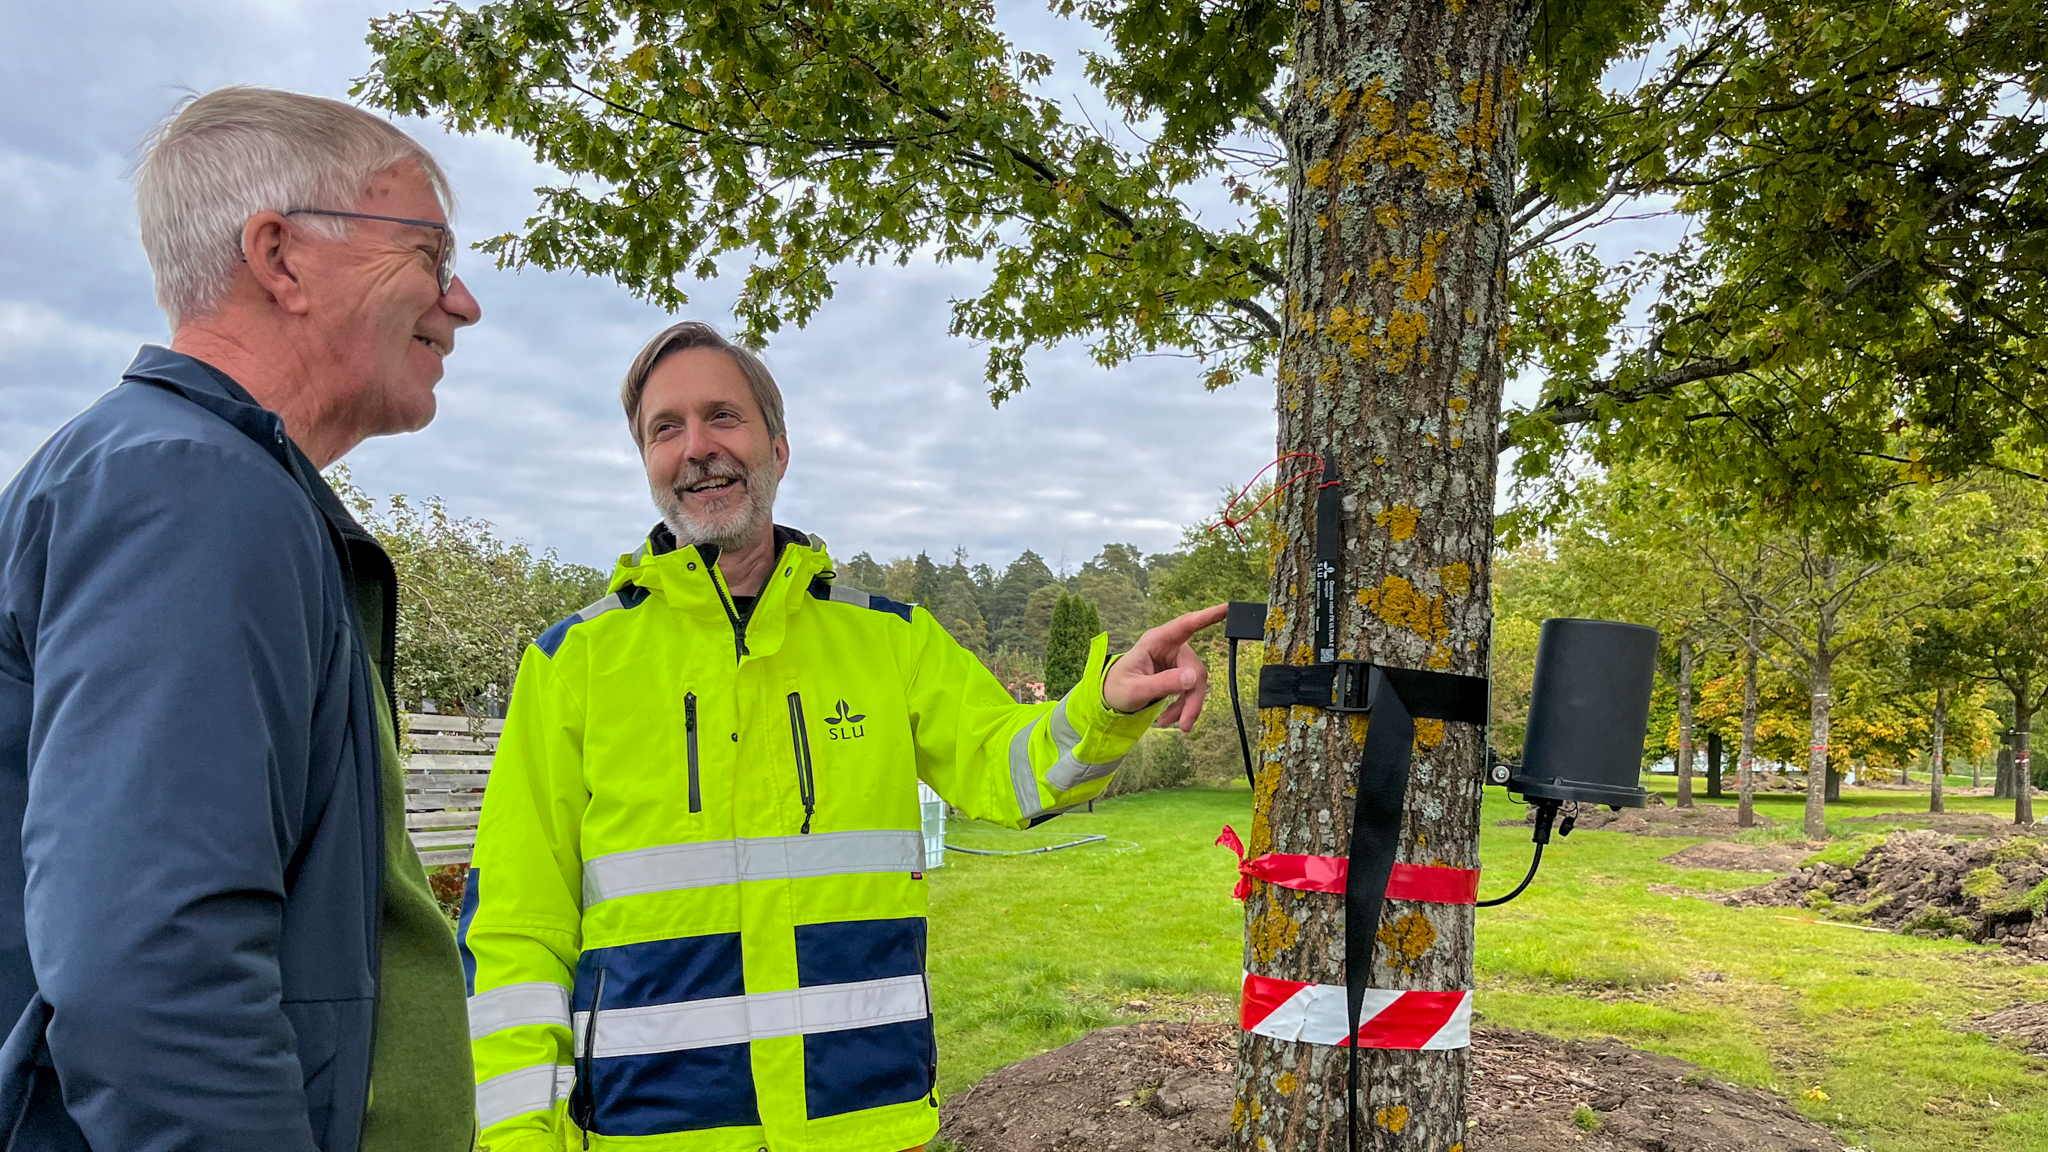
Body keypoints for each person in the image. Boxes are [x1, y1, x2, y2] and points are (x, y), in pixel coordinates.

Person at [461, 321, 1226, 1151]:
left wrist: (1108, 704)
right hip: (654, 1132)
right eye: (665, 428)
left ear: (778, 449)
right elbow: (515, 928)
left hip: (868, 1123)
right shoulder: (571, 663)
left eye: (724, 416)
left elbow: (1007, 766)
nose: (697, 448)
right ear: (645, 460)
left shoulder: (889, 640)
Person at [0, 87, 482, 1151]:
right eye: (428, 258)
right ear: (281, 257)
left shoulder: (196, 482)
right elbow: (155, 977)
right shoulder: (188, 490)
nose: (461, 304)